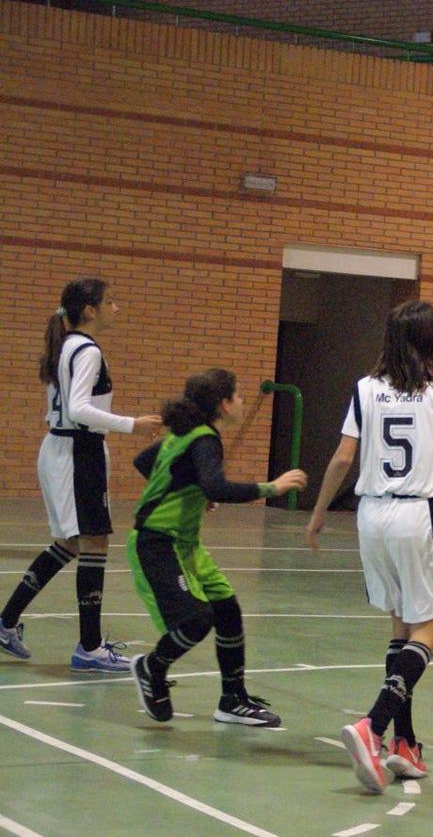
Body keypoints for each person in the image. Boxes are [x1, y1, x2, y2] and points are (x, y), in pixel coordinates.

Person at [305, 300, 433, 796]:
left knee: (401, 627)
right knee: (431, 632)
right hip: (417, 515)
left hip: (371, 514)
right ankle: (374, 724)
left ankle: (405, 744)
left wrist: (320, 511)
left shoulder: (365, 389)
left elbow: (342, 458)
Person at [126, 368, 307, 727]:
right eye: (238, 395)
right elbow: (217, 487)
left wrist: (187, 487)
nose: (241, 401)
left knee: (227, 609)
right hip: (156, 543)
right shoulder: (205, 438)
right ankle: (151, 668)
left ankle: (232, 699)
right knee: (196, 618)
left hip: (185, 543)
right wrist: (272, 487)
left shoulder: (185, 434)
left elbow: (144, 462)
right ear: (224, 404)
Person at [0, 278, 161, 671]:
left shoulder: (68, 345)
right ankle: (89, 647)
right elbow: (79, 409)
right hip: (76, 450)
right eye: (111, 301)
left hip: (63, 449)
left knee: (71, 543)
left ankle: (5, 622)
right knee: (94, 543)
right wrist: (132, 424)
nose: (117, 308)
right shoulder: (86, 349)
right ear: (89, 310)